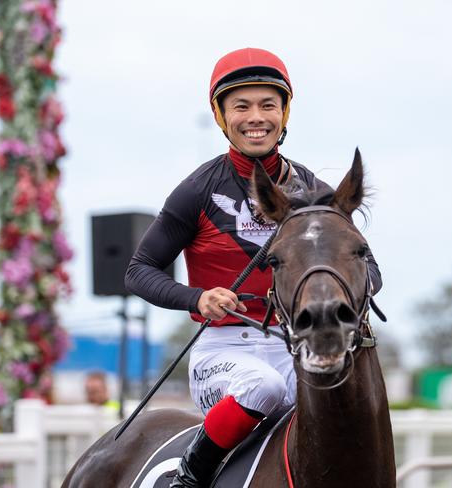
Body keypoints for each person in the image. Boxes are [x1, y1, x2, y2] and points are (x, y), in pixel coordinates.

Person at [125, 47, 382, 487]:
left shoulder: (314, 191)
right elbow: (139, 269)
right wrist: (198, 298)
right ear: (222, 116)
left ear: (284, 113)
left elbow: (370, 271)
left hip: (292, 344)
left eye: (268, 104)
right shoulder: (196, 191)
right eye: (241, 106)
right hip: (224, 353)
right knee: (263, 387)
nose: (256, 117)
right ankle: (189, 478)